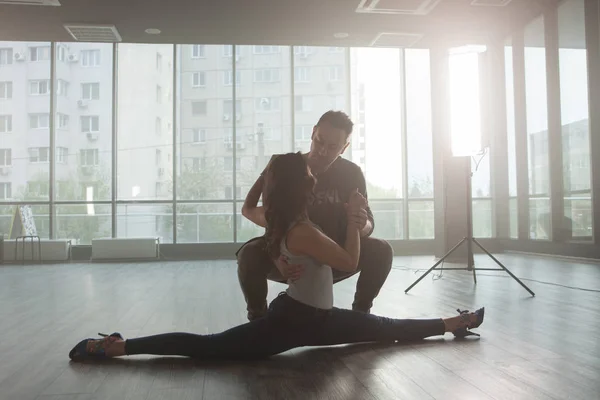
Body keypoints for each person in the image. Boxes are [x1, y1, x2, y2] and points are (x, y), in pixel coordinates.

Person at [69, 152, 484, 361]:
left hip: (321, 321)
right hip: (290, 325)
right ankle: (118, 347)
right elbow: (350, 263)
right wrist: (355, 220)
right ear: (300, 188)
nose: (314, 175)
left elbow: (247, 206)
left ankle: (454, 322)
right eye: (308, 176)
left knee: (387, 328)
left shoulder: (278, 216)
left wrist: (267, 175)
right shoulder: (300, 229)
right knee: (209, 349)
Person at [238, 110, 393, 321]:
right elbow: (271, 219)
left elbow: (368, 224)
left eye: (332, 147)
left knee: (382, 250)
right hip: (291, 259)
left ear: (344, 148)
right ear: (313, 133)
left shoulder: (351, 173)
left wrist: (358, 221)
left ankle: (361, 316)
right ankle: (258, 321)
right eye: (320, 141)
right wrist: (277, 256)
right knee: (249, 254)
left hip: (334, 255)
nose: (322, 151)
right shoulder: (286, 167)